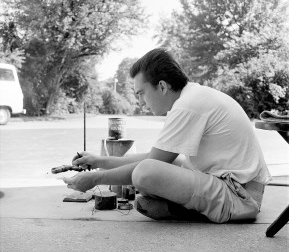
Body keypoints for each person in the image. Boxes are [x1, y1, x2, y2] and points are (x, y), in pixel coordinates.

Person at [63, 48, 271, 223]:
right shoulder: (192, 97)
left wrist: (95, 178)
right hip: (238, 189)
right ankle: (184, 208)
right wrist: (98, 161)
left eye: (141, 94)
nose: (141, 103)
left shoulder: (188, 106)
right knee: (171, 162)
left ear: (162, 86)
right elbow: (156, 158)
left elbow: (149, 166)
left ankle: (191, 210)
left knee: (145, 174)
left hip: (240, 197)